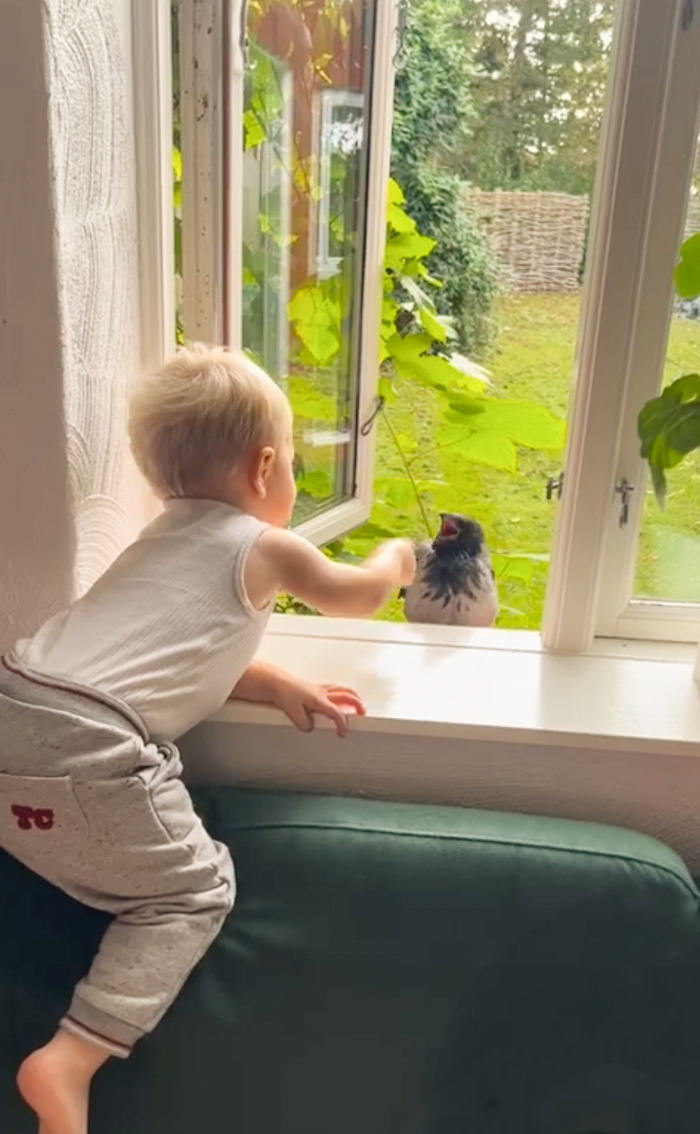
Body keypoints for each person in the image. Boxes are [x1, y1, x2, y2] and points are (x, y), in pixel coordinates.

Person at [1, 343, 416, 1134]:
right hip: (87, 746)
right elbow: (353, 598)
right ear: (265, 469)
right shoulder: (262, 542)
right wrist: (394, 559)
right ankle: (70, 1059)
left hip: (16, 700)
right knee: (193, 892)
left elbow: (180, 648)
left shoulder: (154, 542)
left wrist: (273, 682)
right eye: (292, 463)